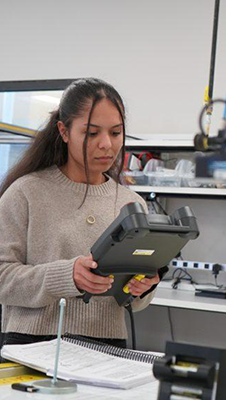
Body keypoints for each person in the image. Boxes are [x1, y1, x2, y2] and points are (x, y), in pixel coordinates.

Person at [0, 78, 161, 349]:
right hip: (32, 346)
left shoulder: (132, 204)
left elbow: (133, 300)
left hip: (108, 348)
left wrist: (143, 287)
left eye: (115, 132)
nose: (106, 145)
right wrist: (67, 276)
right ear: (64, 131)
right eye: (92, 133)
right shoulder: (26, 192)